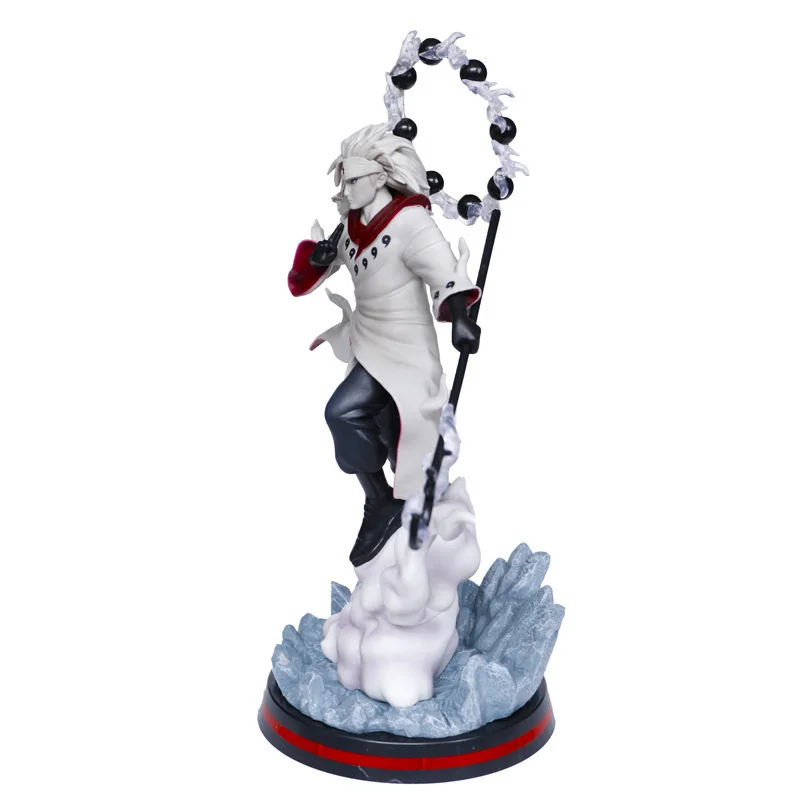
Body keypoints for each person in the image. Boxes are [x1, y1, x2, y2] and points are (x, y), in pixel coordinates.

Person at [287, 123, 481, 567]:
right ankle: (389, 503)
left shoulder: (411, 223)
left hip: (406, 349)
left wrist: (461, 319)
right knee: (385, 429)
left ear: (377, 178)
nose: (344, 189)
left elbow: (444, 272)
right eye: (343, 180)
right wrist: (316, 258)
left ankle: (381, 502)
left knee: (342, 412)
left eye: (352, 179)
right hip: (369, 342)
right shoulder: (349, 228)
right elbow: (305, 280)